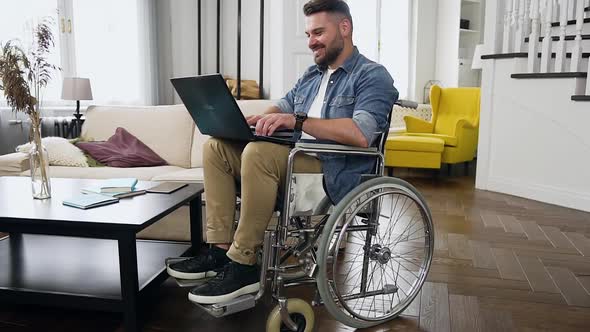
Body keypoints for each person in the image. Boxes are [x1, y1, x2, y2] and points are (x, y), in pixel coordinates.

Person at [167, 0, 398, 305]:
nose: (311, 41)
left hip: (334, 173)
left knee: (259, 154)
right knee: (216, 148)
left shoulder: (372, 75)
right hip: (295, 164)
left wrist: (298, 121)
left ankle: (244, 263)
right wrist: (261, 119)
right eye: (308, 34)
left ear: (344, 28)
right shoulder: (312, 76)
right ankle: (220, 251)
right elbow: (284, 105)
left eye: (318, 32)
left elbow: (361, 133)